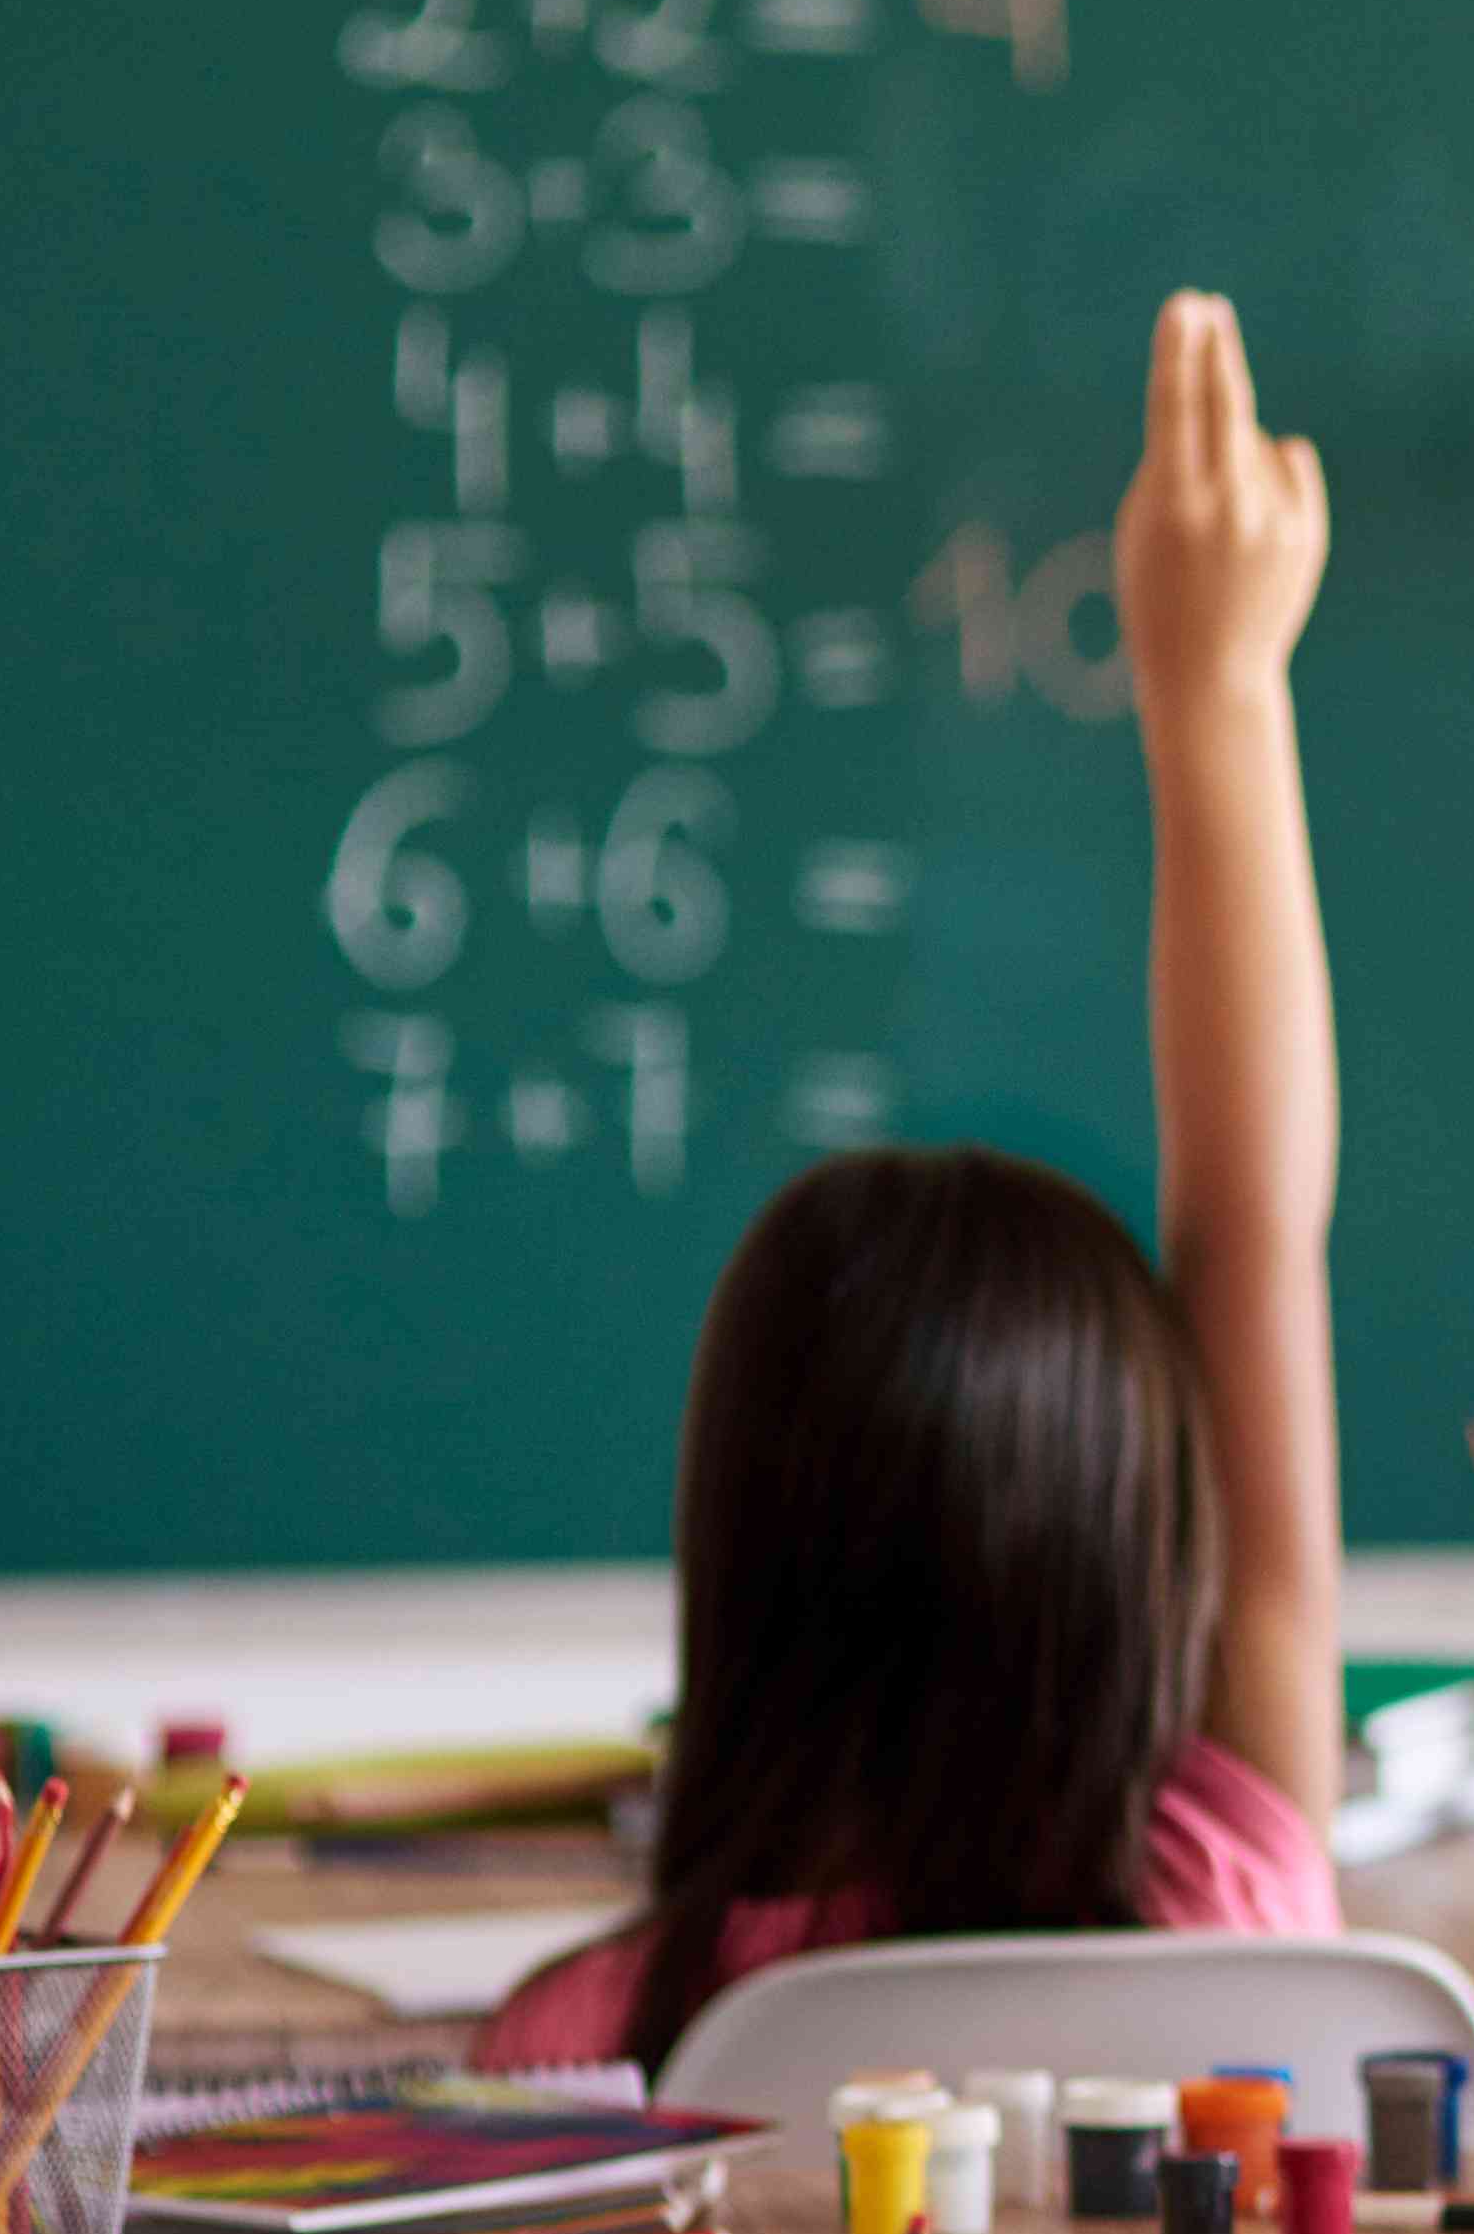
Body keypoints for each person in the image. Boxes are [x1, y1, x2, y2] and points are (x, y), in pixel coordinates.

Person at [487, 294, 1348, 2074]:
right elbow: (1254, 1234)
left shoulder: (601, 2047)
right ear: (1149, 1550)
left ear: (742, 1555)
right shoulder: (1229, 1898)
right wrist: (1222, 691)